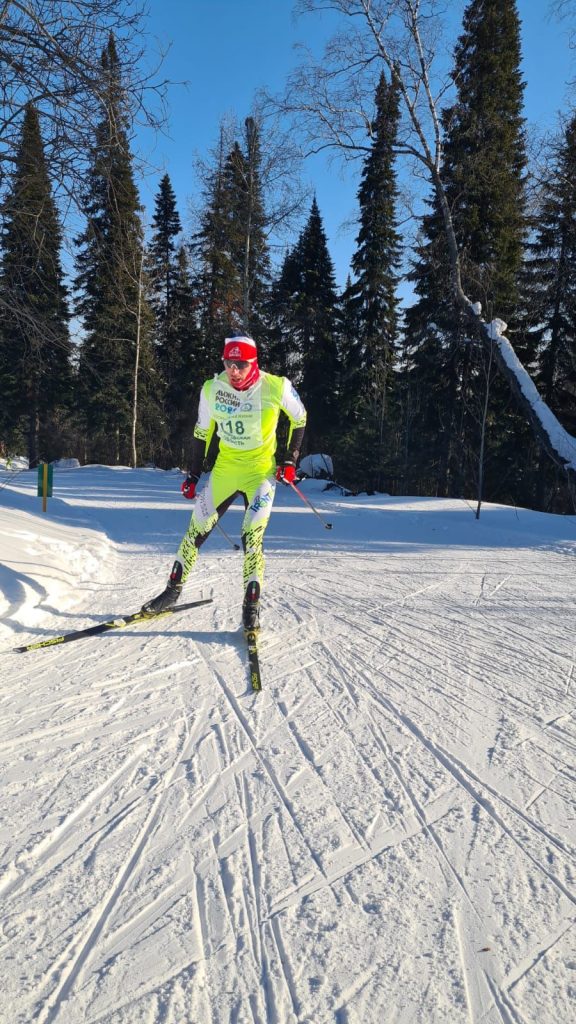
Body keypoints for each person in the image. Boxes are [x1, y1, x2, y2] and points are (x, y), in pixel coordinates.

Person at [141, 333, 307, 631]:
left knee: (251, 537)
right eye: (228, 363)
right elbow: (202, 433)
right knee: (196, 530)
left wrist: (290, 460)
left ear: (253, 363)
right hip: (225, 470)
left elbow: (300, 418)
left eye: (241, 364)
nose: (234, 370)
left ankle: (251, 607)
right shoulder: (212, 389)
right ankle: (172, 592)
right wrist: (193, 474)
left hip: (260, 472)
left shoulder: (276, 386)